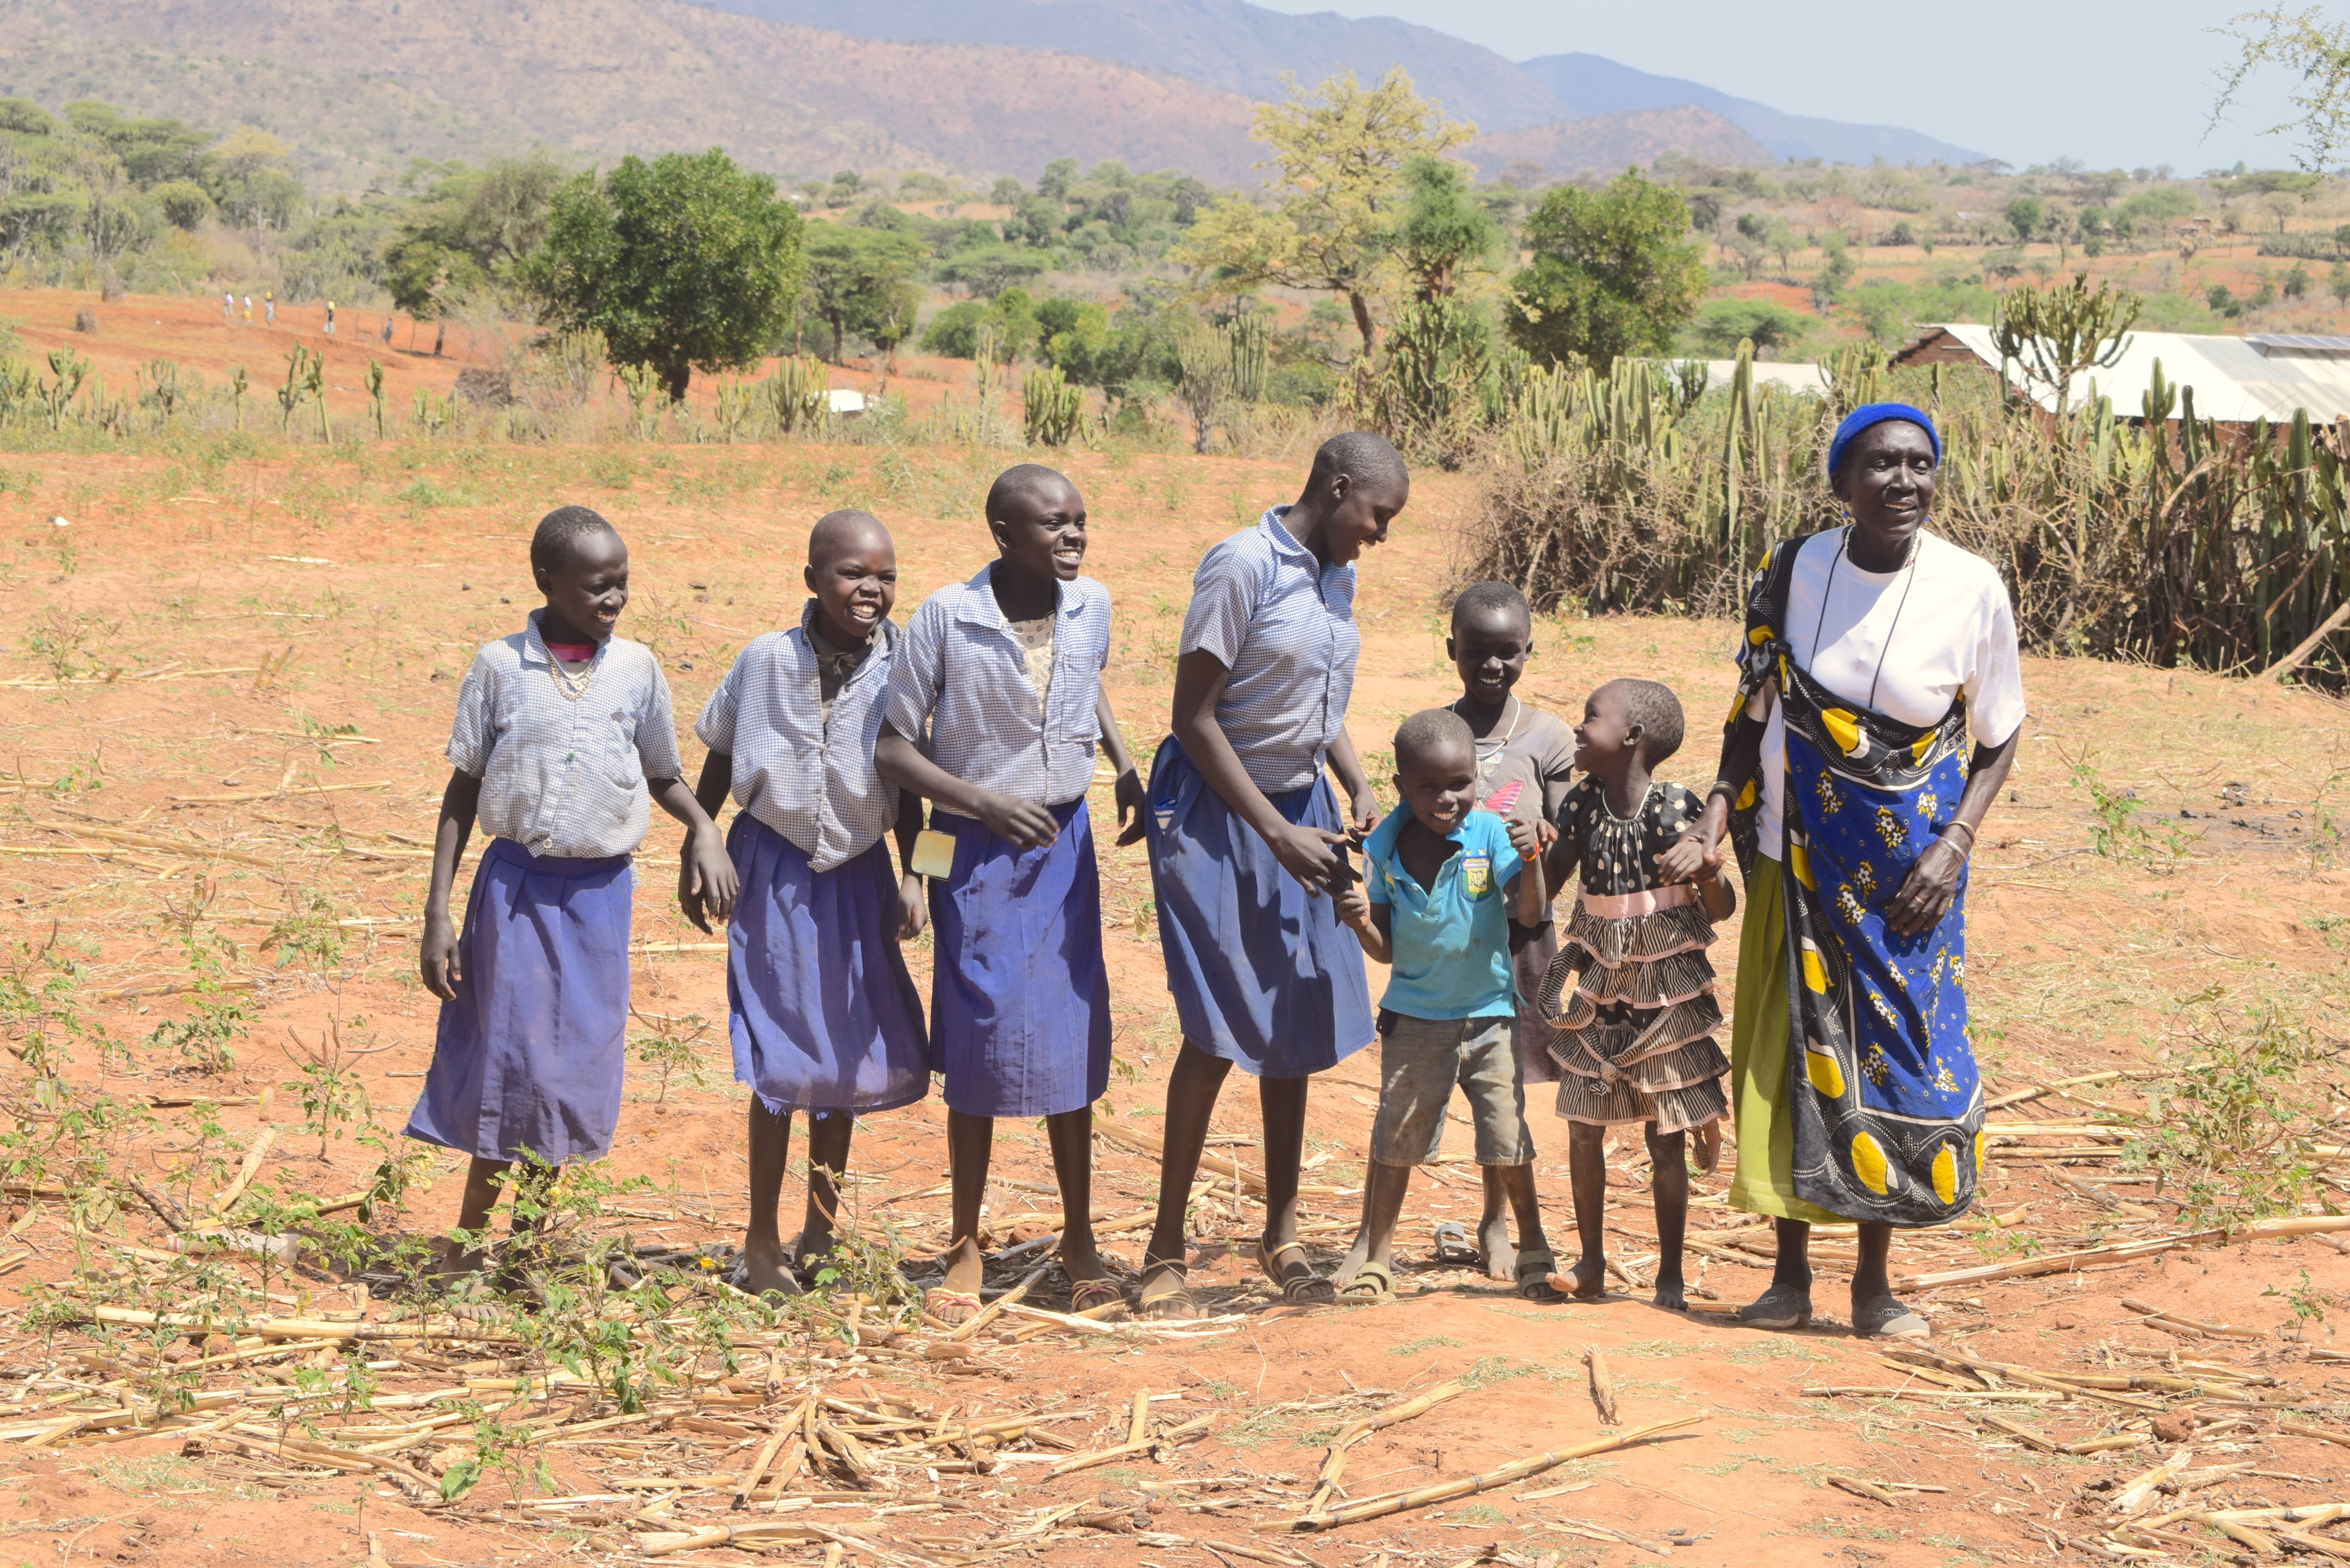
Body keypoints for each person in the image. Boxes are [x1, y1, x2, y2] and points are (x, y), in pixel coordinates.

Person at [1661, 402, 2024, 1339]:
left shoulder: (1970, 588)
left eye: (1919, 464)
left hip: (1908, 881)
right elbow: (1752, 704)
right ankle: (1788, 1278)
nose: (1903, 482)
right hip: (1796, 858)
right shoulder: (1795, 568)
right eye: (1879, 465)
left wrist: (1956, 847)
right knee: (1793, 1058)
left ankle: (1875, 1283)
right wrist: (1715, 811)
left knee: (1895, 1059)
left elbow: (1999, 733)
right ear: (1841, 482)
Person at [411, 506, 736, 1288]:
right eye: (597, 585)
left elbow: (663, 773)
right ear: (546, 583)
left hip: (598, 899)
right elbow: (463, 790)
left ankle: (527, 1251)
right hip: (515, 891)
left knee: (567, 1073)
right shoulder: (499, 667)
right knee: (508, 1064)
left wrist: (703, 829)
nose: (614, 598)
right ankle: (466, 1248)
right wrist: (437, 912)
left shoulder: (636, 670)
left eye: (622, 583)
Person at [1137, 432, 1406, 1317]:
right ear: (1336, 489)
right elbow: (1193, 719)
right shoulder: (1240, 566)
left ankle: (1280, 1233)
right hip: (1222, 810)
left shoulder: (1339, 572)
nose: (1379, 535)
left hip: (1304, 809)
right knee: (1220, 1024)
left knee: (1293, 1015)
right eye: (1377, 515)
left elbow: (1316, 701)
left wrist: (1356, 778)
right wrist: (1275, 832)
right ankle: (1166, 1243)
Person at [876, 464, 1145, 1323]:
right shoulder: (944, 619)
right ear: (1002, 532)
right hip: (975, 848)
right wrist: (982, 805)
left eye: (1080, 523)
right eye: (1052, 525)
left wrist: (1125, 763)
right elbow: (893, 750)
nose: (1072, 538)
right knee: (980, 1031)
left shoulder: (1091, 604)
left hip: (1063, 845)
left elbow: (1085, 680)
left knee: (1071, 1038)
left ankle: (1078, 1239)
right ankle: (963, 1239)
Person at [689, 510, 929, 1297]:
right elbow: (721, 755)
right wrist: (701, 840)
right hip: (772, 868)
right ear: (812, 580)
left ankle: (820, 1233)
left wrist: (918, 875)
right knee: (779, 1058)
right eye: (853, 574)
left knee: (844, 1057)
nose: (872, 589)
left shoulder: (909, 668)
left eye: (886, 576)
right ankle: (761, 1242)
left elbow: (926, 799)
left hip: (860, 874)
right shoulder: (763, 660)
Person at [1331, 709, 1551, 1304]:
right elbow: (1384, 951)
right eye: (1427, 786)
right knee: (1396, 1138)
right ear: (1399, 783)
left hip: (1488, 1015)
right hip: (1415, 1017)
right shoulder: (1381, 846)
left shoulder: (1488, 833)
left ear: (1476, 780)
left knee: (1507, 1137)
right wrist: (1356, 922)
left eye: (1458, 783)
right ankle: (1378, 1257)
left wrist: (1531, 861)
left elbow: (1528, 916)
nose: (1446, 798)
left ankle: (1533, 1245)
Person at [1535, 679, 1734, 1308]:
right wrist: (1526, 852)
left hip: (1664, 993)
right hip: (1599, 984)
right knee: (1582, 1125)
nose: (1577, 727)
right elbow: (1545, 884)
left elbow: (1722, 910)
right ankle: (1590, 1264)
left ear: (1630, 738)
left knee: (1663, 1135)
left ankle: (1669, 1275)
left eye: (1589, 717)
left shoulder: (1677, 809)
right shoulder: (1581, 805)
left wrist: (1706, 870)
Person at [1440, 581, 1577, 1281]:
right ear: (1452, 652)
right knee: (1453, 1081)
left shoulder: (1548, 737)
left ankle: (1505, 1218)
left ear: (1529, 650)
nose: (1492, 667)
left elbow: (1566, 845)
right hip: (1451, 940)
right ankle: (1493, 1215)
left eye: (1507, 653)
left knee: (1508, 1089)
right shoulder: (1436, 733)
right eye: (1476, 653)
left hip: (1520, 936)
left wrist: (1538, 841)